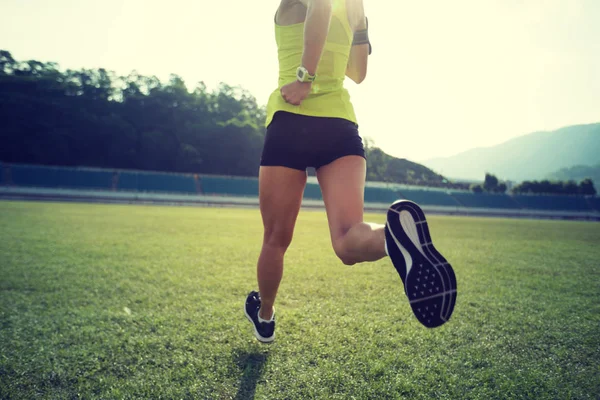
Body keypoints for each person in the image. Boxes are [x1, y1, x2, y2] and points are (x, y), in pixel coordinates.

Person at [244, 0, 456, 343]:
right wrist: (359, 24)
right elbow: (357, 73)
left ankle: (265, 316)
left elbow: (321, 9)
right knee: (346, 241)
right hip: (339, 126)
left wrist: (305, 78)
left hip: (291, 116)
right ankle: (393, 237)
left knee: (275, 239)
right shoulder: (355, 7)